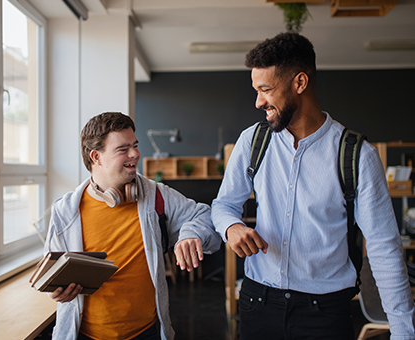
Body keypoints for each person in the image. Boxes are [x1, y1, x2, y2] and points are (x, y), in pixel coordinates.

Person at [211, 32, 415, 339]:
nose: (258, 102)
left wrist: (404, 333)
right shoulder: (252, 141)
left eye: (266, 90)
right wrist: (231, 227)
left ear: (300, 83)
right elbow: (223, 205)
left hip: (325, 315)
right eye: (256, 90)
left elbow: (384, 248)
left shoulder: (358, 155)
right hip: (258, 305)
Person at [44, 112, 221, 340]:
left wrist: (190, 233)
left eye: (135, 145)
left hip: (147, 333)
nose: (135, 154)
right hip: (85, 334)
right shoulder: (65, 211)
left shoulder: (156, 195)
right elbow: (52, 274)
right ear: (96, 157)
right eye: (122, 149)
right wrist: (56, 292)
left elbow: (205, 216)